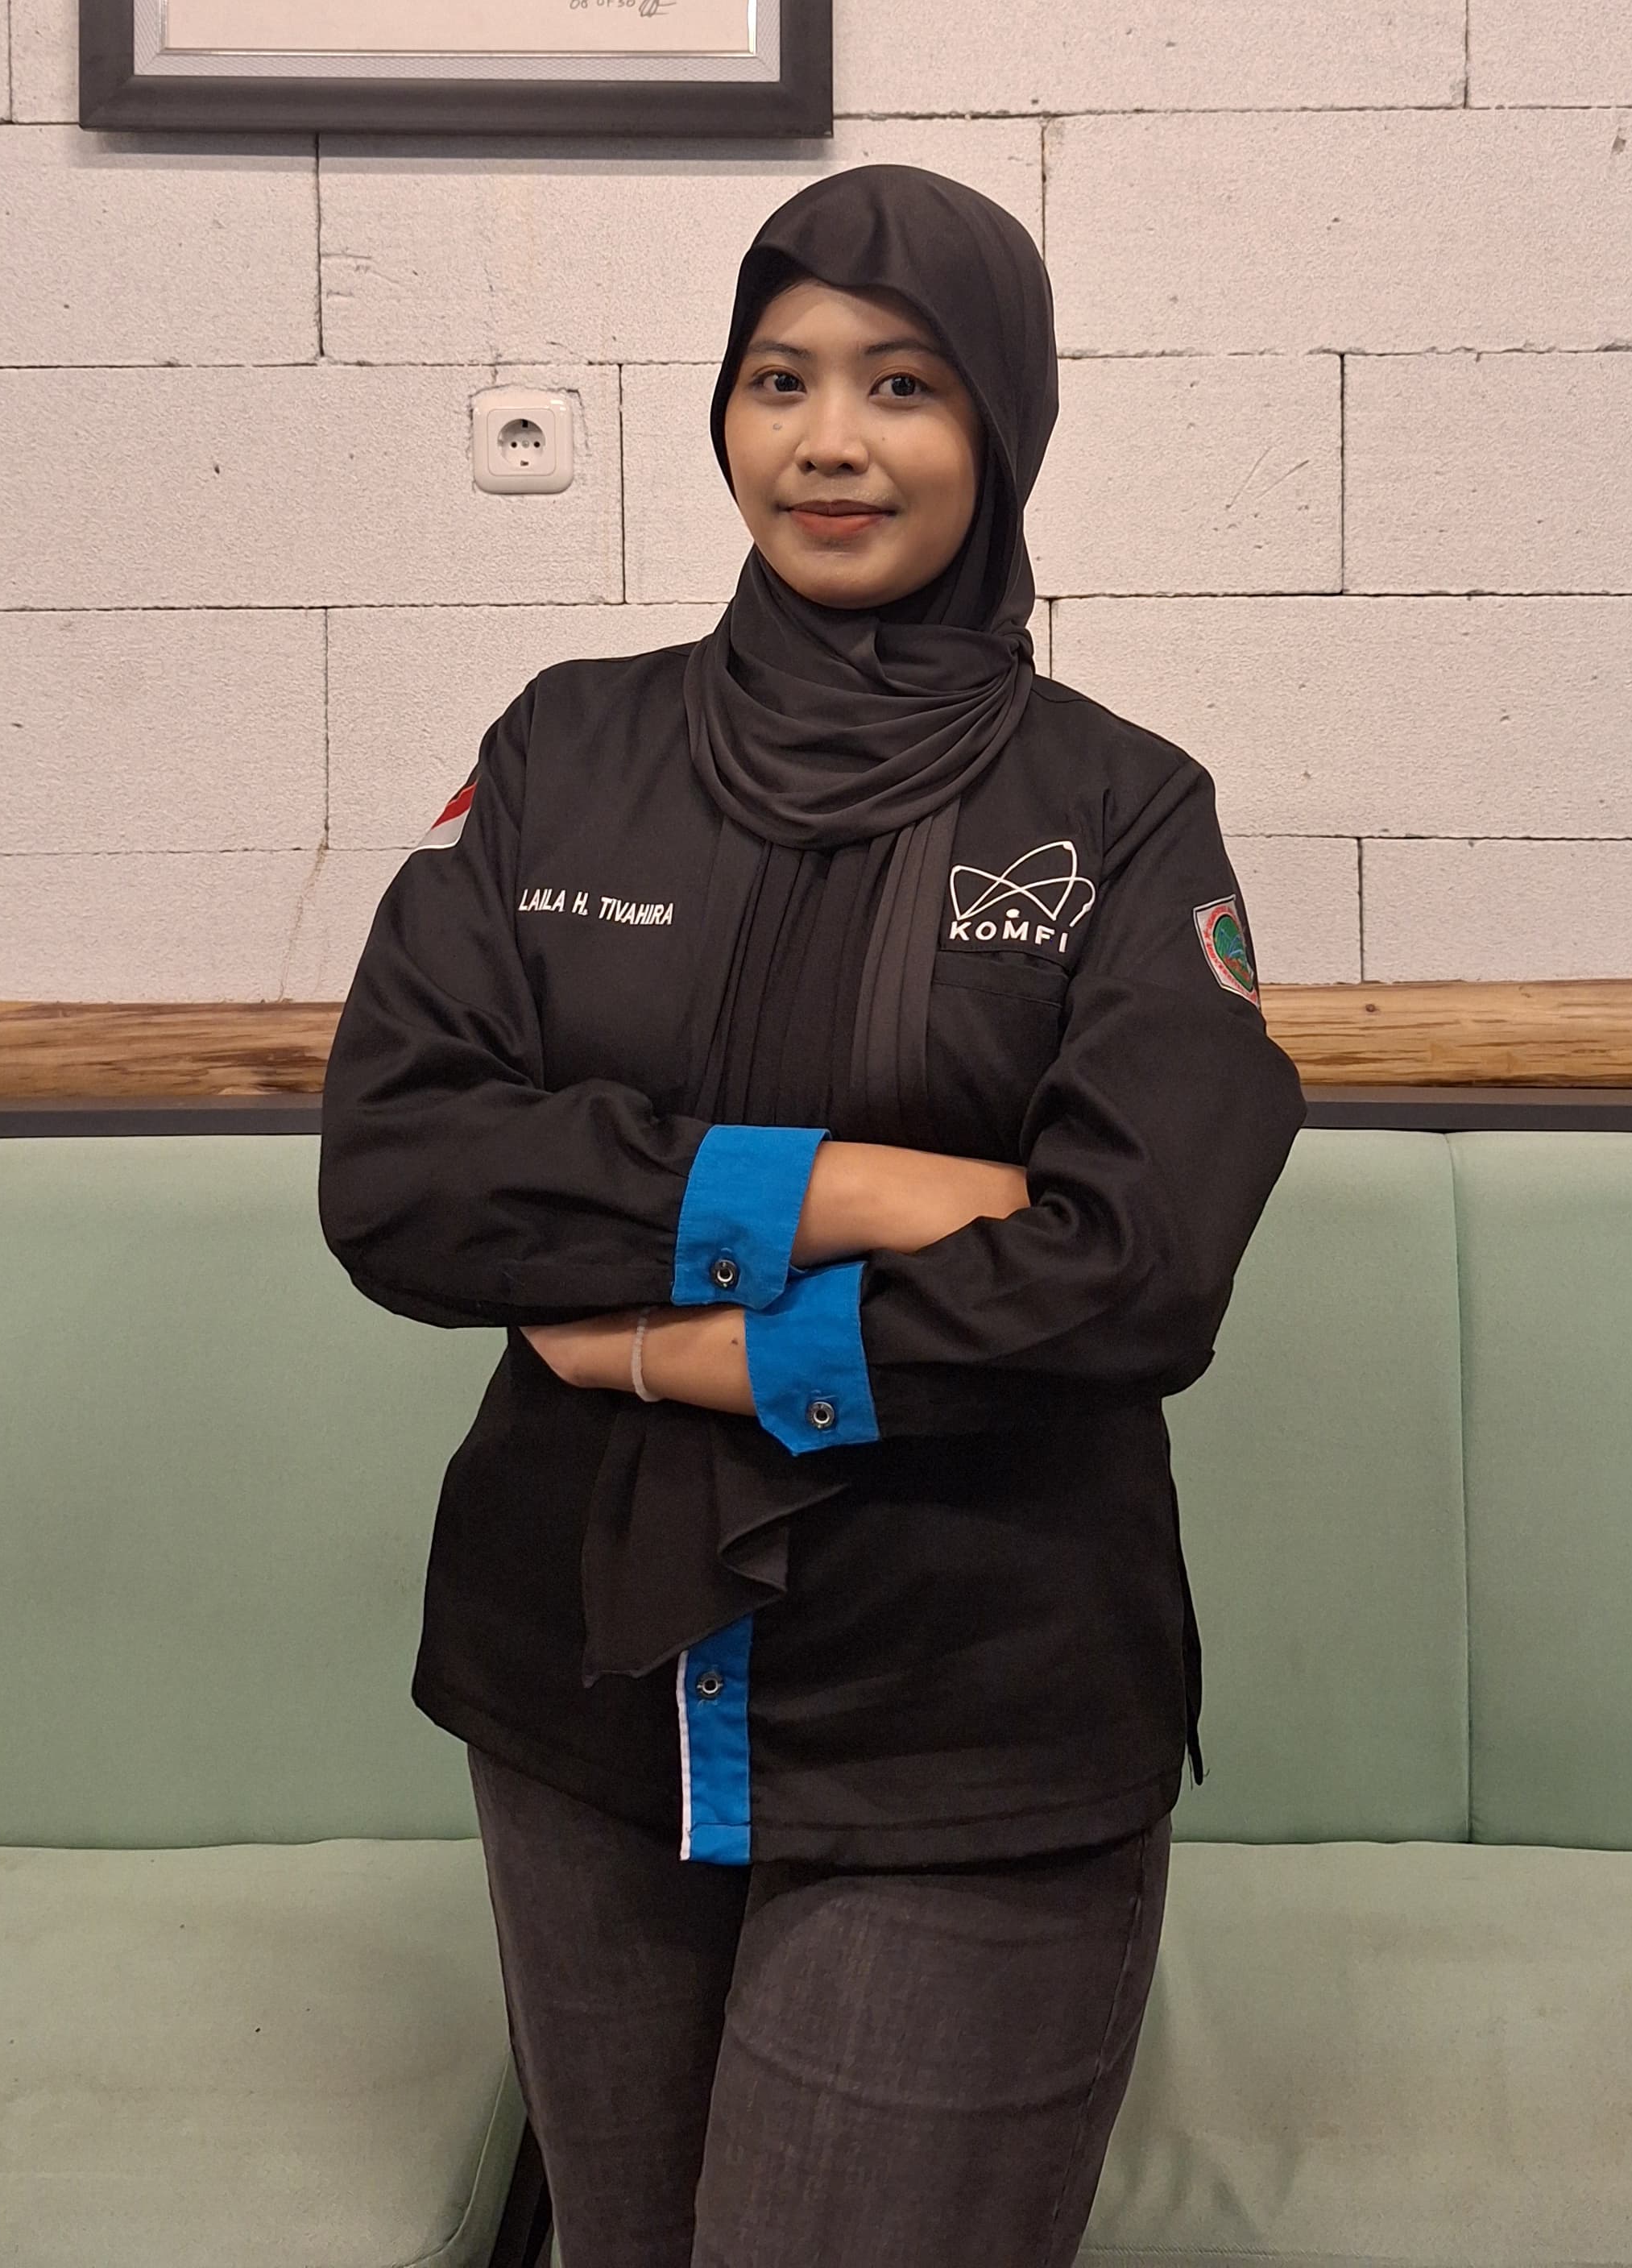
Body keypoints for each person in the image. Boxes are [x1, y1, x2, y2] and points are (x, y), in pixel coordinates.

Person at [321, 163, 1304, 2268]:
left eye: (904, 384)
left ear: (1002, 423)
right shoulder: (566, 749)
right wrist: (844, 1187)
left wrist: (704, 1350)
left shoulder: (1120, 809)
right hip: (579, 1689)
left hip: (970, 1714)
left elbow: (1135, 1269)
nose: (829, 440)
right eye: (779, 379)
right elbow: (402, 1169)